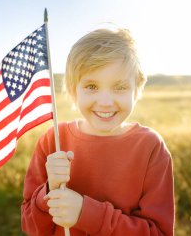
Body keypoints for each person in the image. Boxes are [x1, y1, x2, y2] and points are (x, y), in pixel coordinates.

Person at [21, 26, 175, 236]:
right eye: (92, 86)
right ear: (73, 90)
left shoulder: (150, 148)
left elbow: (159, 233)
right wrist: (49, 192)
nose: (105, 102)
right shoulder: (53, 140)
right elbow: (31, 227)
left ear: (137, 89)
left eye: (120, 87)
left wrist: (86, 213)